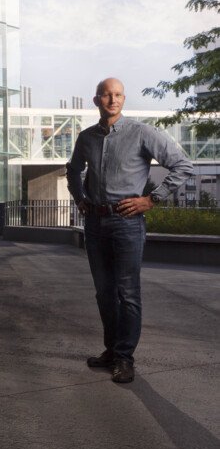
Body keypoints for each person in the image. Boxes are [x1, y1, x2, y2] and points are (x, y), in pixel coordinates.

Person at [66, 78, 193, 383]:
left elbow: (182, 166)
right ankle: (111, 350)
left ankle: (125, 357)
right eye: (107, 95)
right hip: (95, 223)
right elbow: (73, 169)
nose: (113, 99)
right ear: (97, 100)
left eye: (118, 94)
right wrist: (80, 199)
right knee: (104, 293)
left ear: (123, 99)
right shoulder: (86, 138)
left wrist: (151, 199)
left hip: (127, 223)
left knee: (128, 293)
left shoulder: (141, 132)